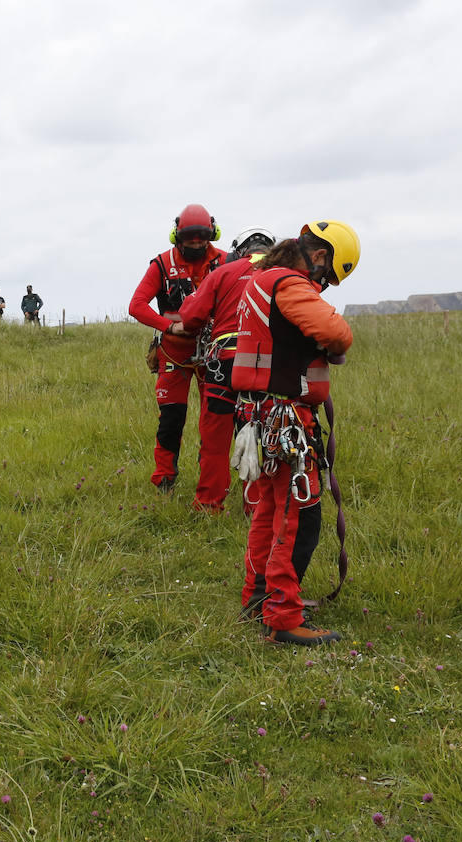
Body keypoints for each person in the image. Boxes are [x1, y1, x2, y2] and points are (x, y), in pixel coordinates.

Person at [232, 220, 359, 646]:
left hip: (261, 416)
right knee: (295, 516)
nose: (322, 286)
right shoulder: (289, 284)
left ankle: (257, 599)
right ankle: (283, 617)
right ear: (320, 256)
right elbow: (336, 332)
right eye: (326, 277)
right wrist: (330, 345)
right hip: (286, 421)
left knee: (268, 513)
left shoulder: (260, 280)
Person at [174, 227, 276, 512]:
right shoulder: (284, 274)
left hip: (223, 365)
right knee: (259, 434)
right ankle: (256, 506)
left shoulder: (222, 273)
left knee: (215, 437)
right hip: (264, 367)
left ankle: (209, 504)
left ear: (238, 250)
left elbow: (191, 316)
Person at [128, 204, 227, 494]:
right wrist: (169, 327)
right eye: (190, 237)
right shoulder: (160, 265)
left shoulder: (225, 262)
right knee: (171, 418)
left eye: (202, 236)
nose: (196, 242)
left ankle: (210, 482)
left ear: (212, 233)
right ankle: (164, 479)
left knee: (215, 420)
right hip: (174, 353)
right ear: (177, 235)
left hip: (213, 354)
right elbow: (136, 305)